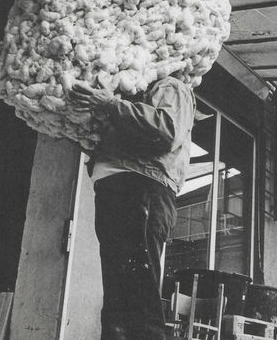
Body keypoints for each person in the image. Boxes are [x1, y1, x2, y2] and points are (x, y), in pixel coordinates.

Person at [69, 75, 195, 340]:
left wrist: (112, 106)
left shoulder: (169, 85)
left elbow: (166, 130)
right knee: (118, 301)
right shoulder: (135, 96)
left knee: (138, 301)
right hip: (122, 188)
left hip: (140, 189)